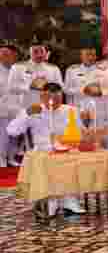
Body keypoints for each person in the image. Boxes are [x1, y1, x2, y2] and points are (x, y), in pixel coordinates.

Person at [7, 82, 85, 215]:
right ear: (42, 97)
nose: (54, 102)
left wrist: (85, 127)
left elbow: (80, 132)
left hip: (66, 149)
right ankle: (50, 198)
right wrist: (26, 114)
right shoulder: (34, 110)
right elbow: (12, 131)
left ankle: (69, 198)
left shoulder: (71, 110)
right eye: (50, 99)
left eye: (58, 99)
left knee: (77, 159)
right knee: (46, 161)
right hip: (42, 151)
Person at [8, 44, 62, 111]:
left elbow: (60, 86)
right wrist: (29, 86)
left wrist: (49, 86)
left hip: (47, 106)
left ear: (46, 53)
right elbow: (11, 87)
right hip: (26, 106)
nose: (39, 55)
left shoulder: (54, 68)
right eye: (35, 51)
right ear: (29, 53)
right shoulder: (18, 67)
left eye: (42, 51)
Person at [0, 43, 17, 166]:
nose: (3, 56)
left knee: (15, 134)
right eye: (2, 54)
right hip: (3, 108)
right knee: (3, 135)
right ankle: (1, 159)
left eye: (7, 54)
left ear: (14, 56)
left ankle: (11, 157)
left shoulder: (19, 70)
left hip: (17, 108)